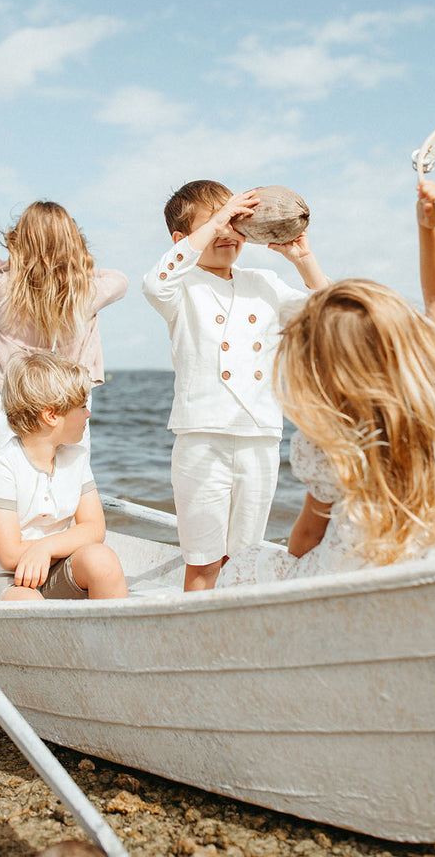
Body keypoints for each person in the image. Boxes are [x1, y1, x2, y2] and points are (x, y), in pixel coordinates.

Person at [217, 180, 435, 588]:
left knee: (244, 565)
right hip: (434, 565)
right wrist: (429, 228)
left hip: (345, 579)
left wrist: (285, 579)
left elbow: (307, 538)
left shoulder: (331, 437)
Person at [143, 179, 331, 591]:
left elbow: (330, 315)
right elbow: (155, 282)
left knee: (243, 562)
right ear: (183, 238)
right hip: (201, 437)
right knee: (205, 563)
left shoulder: (263, 284)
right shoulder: (181, 286)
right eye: (215, 223)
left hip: (260, 436)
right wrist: (221, 218)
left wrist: (303, 259)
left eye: (235, 220)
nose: (228, 231)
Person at [0, 200, 128, 466]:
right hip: (67, 407)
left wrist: (16, 265)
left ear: (19, 242)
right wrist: (72, 266)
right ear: (72, 242)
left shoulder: (1, 287)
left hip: (10, 407)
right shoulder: (86, 292)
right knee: (62, 485)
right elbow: (120, 279)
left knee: (5, 488)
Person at [0, 351, 128, 602]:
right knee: (27, 601)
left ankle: (113, 638)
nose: (88, 414)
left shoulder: (76, 458)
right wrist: (48, 548)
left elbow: (95, 528)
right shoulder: (0, 468)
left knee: (101, 559)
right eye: (82, 406)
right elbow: (9, 555)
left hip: (52, 568)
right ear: (51, 416)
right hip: (1, 578)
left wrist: (46, 546)